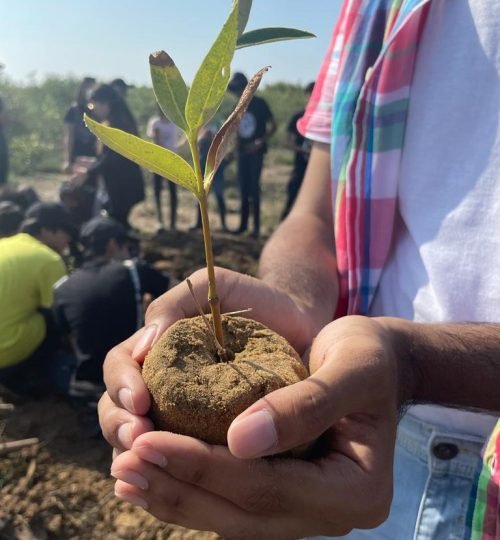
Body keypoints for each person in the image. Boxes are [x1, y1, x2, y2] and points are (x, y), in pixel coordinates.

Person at [97, 1, 500, 539]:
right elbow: (313, 213)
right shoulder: (375, 9)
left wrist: (414, 364)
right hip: (345, 431)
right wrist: (293, 302)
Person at [53, 216, 170, 388]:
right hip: (134, 376)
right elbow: (178, 293)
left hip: (85, 384)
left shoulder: (62, 287)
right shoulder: (133, 271)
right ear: (112, 244)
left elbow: (64, 338)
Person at [0, 202, 73, 395]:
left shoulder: (4, 244)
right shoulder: (49, 260)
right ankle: (30, 378)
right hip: (7, 353)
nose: (68, 241)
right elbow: (60, 315)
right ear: (47, 230)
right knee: (53, 317)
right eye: (66, 233)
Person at [87, 84, 145, 228]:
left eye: (94, 106)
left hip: (122, 186)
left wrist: (88, 172)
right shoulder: (120, 121)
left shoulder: (115, 125)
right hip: (125, 185)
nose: (94, 111)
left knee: (118, 224)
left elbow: (111, 157)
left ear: (105, 104)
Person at [228, 72, 276, 239]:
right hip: (242, 152)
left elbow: (273, 125)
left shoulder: (260, 104)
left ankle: (255, 228)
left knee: (254, 189)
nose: (237, 93)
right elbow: (233, 130)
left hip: (256, 152)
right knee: (243, 189)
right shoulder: (237, 106)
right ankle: (243, 226)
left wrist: (261, 141)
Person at [280, 82, 314, 220]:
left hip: (317, 170)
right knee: (292, 196)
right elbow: (288, 141)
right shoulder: (298, 117)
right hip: (300, 166)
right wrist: (303, 150)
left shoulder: (327, 119)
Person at [146, 108, 182, 231]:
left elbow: (176, 140)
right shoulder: (155, 123)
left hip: (172, 161)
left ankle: (173, 223)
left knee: (173, 192)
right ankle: (160, 221)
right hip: (158, 160)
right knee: (157, 192)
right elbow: (157, 141)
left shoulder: (174, 123)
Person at [190, 125, 228, 232]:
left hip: (216, 169)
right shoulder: (198, 127)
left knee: (219, 195)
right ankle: (199, 223)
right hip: (202, 168)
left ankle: (224, 225)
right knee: (201, 197)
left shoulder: (218, 124)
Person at [62, 77, 97, 174]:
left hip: (93, 156)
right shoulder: (73, 110)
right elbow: (68, 136)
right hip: (77, 154)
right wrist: (67, 160)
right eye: (87, 87)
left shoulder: (97, 111)